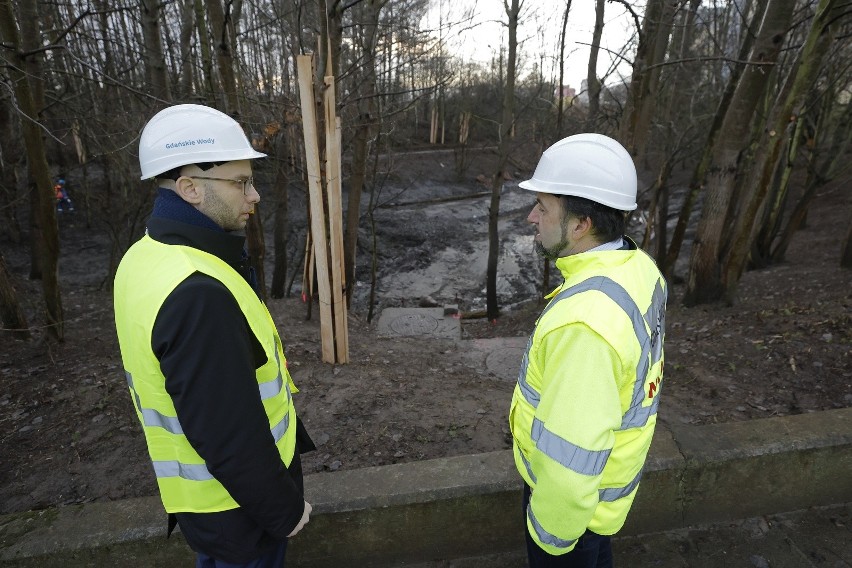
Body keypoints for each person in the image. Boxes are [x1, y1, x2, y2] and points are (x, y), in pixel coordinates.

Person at [113, 104, 313, 567]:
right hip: (238, 513)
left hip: (211, 506)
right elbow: (228, 433)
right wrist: (283, 512)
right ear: (189, 189)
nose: (255, 195)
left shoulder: (145, 257)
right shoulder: (197, 291)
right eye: (241, 182)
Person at [509, 133, 667, 567]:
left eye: (543, 207)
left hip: (572, 515)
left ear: (581, 225)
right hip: (603, 498)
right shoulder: (638, 268)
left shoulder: (584, 326)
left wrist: (551, 540)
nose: (530, 217)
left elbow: (569, 459)